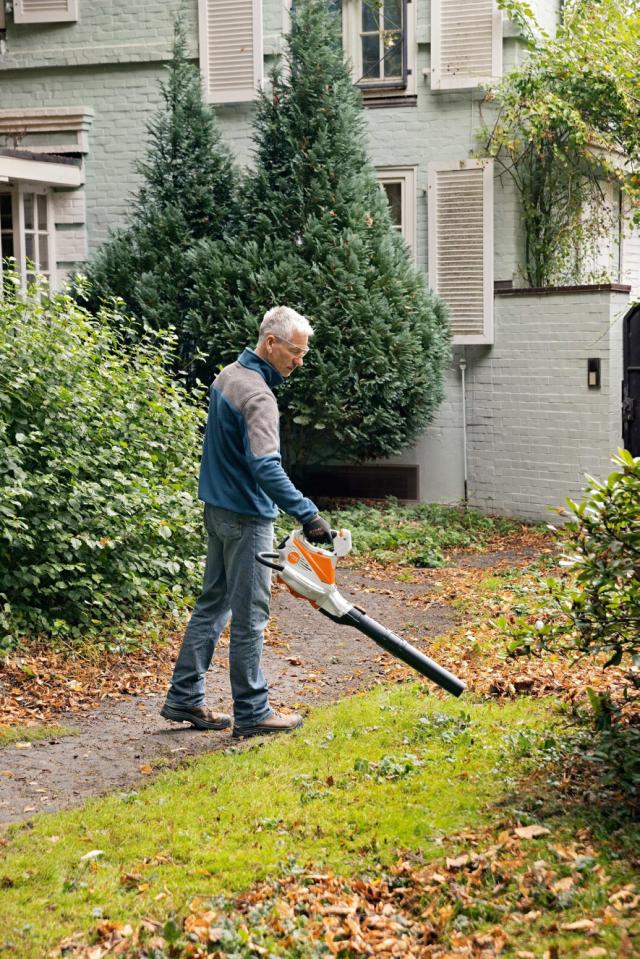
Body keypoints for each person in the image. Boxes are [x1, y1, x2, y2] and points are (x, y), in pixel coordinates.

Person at [161, 306, 332, 738]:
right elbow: (266, 467)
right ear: (270, 343)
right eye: (294, 351)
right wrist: (307, 512)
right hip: (246, 519)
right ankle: (253, 711)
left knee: (213, 604)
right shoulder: (257, 395)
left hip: (217, 513)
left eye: (303, 353)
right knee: (251, 616)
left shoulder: (227, 376)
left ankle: (184, 697)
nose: (299, 360)